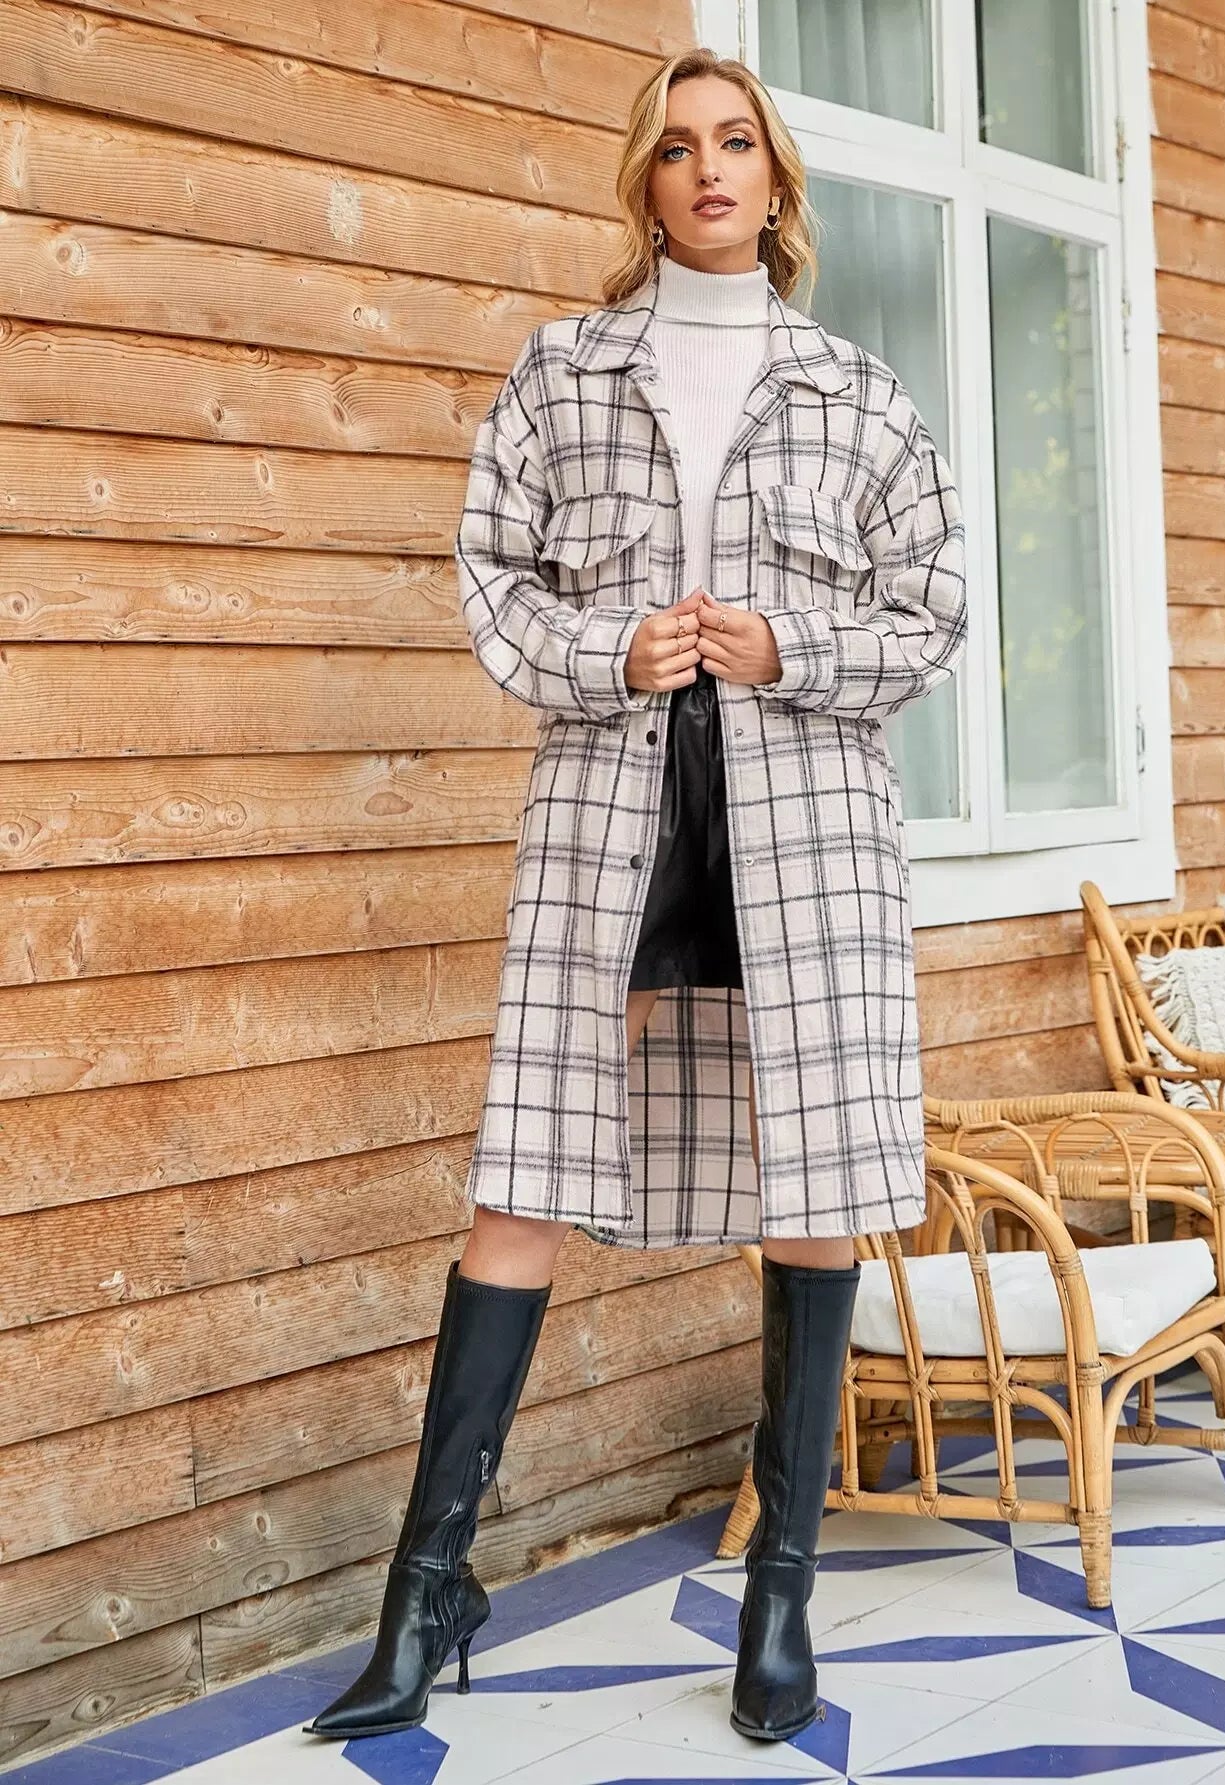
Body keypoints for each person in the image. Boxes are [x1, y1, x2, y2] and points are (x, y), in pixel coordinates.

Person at [306, 43, 966, 1748]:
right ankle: (428, 1591)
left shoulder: (858, 392)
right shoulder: (563, 371)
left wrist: (787, 644)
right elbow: (492, 573)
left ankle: (779, 1593)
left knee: (812, 1188)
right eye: (677, 148)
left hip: (807, 838)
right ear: (646, 182)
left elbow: (934, 611)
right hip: (609, 825)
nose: (709, 168)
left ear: (777, 176)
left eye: (737, 141)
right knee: (520, 1177)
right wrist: (610, 650)